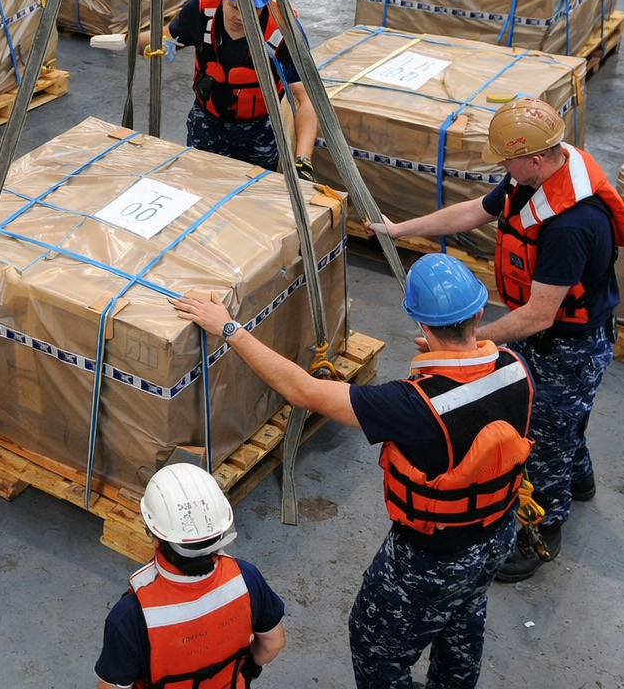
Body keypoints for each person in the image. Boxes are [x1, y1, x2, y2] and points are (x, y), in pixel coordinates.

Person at [170, 254, 533, 689]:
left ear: (421, 323)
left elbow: (302, 390)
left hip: (431, 559)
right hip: (497, 536)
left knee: (375, 645)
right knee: (463, 621)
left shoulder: (411, 406)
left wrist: (228, 328)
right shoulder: (516, 368)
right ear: (479, 313)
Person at [369, 96, 624, 583]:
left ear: (536, 157)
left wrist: (466, 344)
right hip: (545, 334)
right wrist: (400, 229)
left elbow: (538, 315)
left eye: (506, 160)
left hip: (569, 348)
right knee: (559, 420)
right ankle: (581, 477)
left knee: (546, 434)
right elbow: (475, 211)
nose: (500, 169)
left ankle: (544, 528)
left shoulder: (570, 224)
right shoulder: (533, 176)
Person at [90, 0, 318, 177]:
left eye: (251, 11)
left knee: (255, 190)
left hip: (258, 128)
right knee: (197, 179)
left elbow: (304, 98)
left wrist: (303, 160)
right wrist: (132, 41)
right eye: (234, 6)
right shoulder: (201, 12)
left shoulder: (283, 33)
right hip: (207, 119)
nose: (240, 17)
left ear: (264, 5)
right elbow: (164, 36)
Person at [95, 463, 286, 689]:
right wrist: (245, 670)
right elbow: (273, 643)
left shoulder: (130, 615)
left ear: (155, 538)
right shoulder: (247, 578)